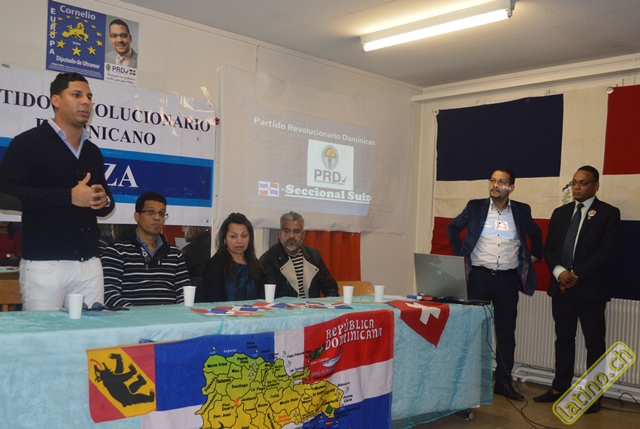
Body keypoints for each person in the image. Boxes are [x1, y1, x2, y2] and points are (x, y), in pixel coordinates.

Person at [0, 72, 115, 310]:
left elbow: (106, 203)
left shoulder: (92, 151)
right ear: (56, 100)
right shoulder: (27, 143)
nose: (86, 102)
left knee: (92, 332)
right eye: (77, 95)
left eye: (89, 97)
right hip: (45, 265)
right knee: (45, 333)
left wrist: (103, 201)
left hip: (90, 265)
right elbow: (5, 194)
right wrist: (68, 197)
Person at [448, 167, 542, 401]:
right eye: (492, 180)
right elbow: (452, 227)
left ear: (511, 187)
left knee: (506, 334)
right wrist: (460, 255)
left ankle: (503, 382)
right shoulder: (475, 207)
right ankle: (469, 382)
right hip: (479, 279)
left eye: (501, 182)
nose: (495, 185)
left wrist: (535, 255)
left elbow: (536, 233)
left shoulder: (521, 210)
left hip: (507, 281)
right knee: (473, 332)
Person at [533, 166, 620, 414]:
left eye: (583, 183)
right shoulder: (560, 213)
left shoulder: (608, 213)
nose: (577, 187)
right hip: (561, 288)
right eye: (574, 183)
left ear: (596, 185)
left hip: (590, 290)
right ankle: (560, 387)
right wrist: (560, 272)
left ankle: (593, 395)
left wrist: (574, 275)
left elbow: (607, 252)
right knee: (563, 339)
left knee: (594, 343)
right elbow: (550, 248)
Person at [102, 191, 189, 307]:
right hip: (131, 316)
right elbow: (109, 293)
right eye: (150, 212)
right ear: (137, 216)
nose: (157, 217)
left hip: (170, 316)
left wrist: (178, 313)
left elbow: (184, 292)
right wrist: (137, 314)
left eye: (161, 213)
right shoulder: (116, 251)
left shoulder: (175, 253)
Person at [260, 211, 339, 299]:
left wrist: (330, 305)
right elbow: (270, 297)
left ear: (303, 235)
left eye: (296, 231)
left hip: (312, 307)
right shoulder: (269, 259)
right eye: (286, 231)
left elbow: (330, 287)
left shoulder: (314, 255)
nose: (291, 236)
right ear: (280, 234)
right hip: (284, 307)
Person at [200, 213, 263, 302]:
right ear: (224, 239)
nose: (240, 241)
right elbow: (213, 301)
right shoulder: (215, 265)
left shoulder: (256, 265)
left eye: (244, 236)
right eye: (234, 236)